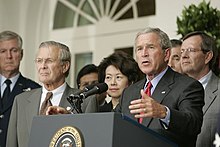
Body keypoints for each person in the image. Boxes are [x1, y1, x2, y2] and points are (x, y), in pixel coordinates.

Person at [115, 27, 204, 147]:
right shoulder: (129, 92)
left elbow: (193, 124)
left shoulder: (188, 86)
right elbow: (114, 126)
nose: (144, 53)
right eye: (139, 49)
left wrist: (164, 113)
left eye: (150, 47)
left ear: (166, 54)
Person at [6, 41, 97, 147]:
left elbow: (90, 142)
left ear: (65, 66)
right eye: (39, 61)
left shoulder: (86, 100)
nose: (43, 66)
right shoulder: (20, 101)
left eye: (49, 61)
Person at [0, 31, 41, 147]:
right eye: (3, 51)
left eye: (14, 50)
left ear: (21, 54)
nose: (9, 56)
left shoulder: (35, 90)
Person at [180, 31, 220, 147]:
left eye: (190, 50)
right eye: (182, 51)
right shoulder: (173, 91)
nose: (184, 55)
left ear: (207, 56)